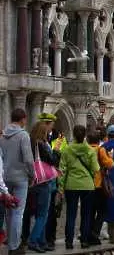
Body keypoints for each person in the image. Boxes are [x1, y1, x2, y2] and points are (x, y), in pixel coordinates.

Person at [58, 125, 99, 249]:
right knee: (86, 215)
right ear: (85, 135)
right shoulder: (90, 151)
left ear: (74, 135)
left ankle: (69, 241)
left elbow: (62, 170)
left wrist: (60, 188)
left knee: (71, 214)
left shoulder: (67, 150)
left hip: (71, 185)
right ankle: (84, 240)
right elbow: (96, 169)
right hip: (87, 185)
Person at [0, 108, 34, 255]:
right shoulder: (23, 135)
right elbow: (28, 159)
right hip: (20, 178)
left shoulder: (2, 135)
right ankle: (15, 246)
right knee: (18, 212)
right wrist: (32, 175)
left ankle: (10, 241)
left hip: (5, 177)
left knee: (9, 212)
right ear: (23, 119)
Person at [26, 121, 60, 253]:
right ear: (43, 132)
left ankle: (42, 240)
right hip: (43, 181)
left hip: (34, 181)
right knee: (42, 214)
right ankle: (33, 240)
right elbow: (52, 160)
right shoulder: (42, 145)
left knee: (40, 213)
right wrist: (56, 150)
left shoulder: (31, 143)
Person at [87, 130, 114, 245]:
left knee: (90, 211)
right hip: (98, 185)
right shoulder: (100, 150)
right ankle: (95, 232)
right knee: (102, 211)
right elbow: (110, 164)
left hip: (86, 185)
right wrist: (111, 157)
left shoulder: (85, 149)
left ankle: (87, 233)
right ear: (99, 140)